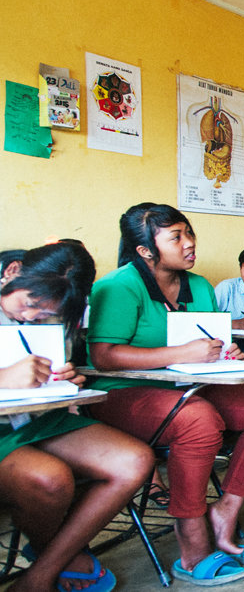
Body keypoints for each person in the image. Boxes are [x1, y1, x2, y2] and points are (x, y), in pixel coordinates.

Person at [87, 203, 244, 586]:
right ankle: (191, 535)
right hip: (124, 393)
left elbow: (209, 341)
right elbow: (103, 355)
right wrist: (183, 354)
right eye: (176, 237)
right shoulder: (116, 287)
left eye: (189, 232)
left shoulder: (198, 286)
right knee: (197, 418)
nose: (190, 243)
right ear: (146, 250)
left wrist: (223, 349)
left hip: (190, 386)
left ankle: (225, 513)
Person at [0, 242, 153, 592]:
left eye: (48, 314)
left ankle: (41, 571)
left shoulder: (57, 310)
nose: (32, 318)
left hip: (39, 418)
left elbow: (53, 366)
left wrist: (68, 377)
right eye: (30, 304)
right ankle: (57, 557)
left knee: (134, 461)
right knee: (50, 480)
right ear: (12, 273)